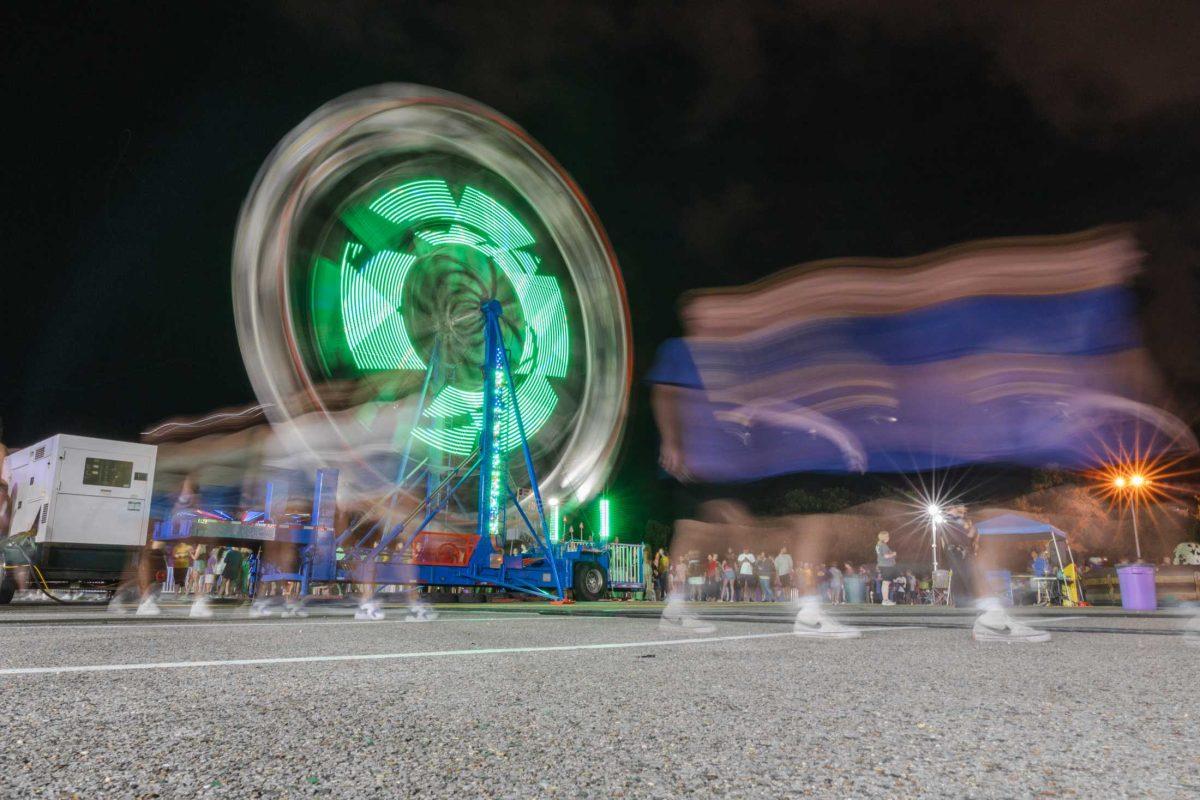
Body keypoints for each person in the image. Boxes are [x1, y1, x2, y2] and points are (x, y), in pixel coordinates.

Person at [875, 531, 898, 606]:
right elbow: (886, 556)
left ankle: (886, 599)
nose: (889, 537)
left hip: (883, 565)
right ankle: (885, 600)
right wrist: (893, 554)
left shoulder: (878, 545)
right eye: (887, 536)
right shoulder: (883, 545)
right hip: (886, 566)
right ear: (884, 537)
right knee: (886, 583)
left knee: (885, 583)